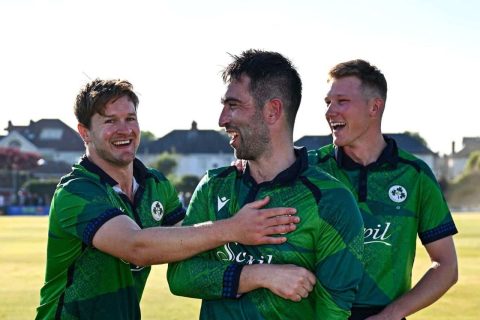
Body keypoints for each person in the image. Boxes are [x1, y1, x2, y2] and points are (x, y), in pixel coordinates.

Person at [35, 79, 304, 319]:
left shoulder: (155, 184)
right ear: (84, 133)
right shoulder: (76, 190)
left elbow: (189, 240)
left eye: (130, 118)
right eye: (110, 121)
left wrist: (239, 178)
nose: (124, 129)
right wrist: (234, 228)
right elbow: (135, 246)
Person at [167, 49, 364, 319]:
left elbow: (334, 310)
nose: (222, 119)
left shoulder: (331, 201)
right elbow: (180, 277)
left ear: (272, 111)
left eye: (233, 105)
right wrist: (257, 275)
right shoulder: (214, 186)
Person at [308, 59, 458, 319]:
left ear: (374, 107)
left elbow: (446, 266)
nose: (330, 112)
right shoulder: (308, 169)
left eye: (341, 101)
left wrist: (391, 315)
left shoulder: (415, 175)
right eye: (328, 102)